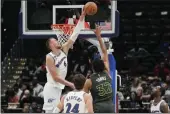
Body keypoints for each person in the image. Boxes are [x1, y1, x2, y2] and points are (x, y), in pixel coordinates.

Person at [43, 10, 86, 113]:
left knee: (57, 111)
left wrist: (82, 17)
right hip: (51, 87)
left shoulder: (64, 49)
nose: (57, 41)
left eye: (57, 40)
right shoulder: (49, 57)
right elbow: (56, 78)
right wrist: (70, 84)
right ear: (51, 46)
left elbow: (75, 34)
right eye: (55, 41)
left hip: (58, 88)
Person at [83, 26, 114, 113]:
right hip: (110, 107)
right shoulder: (107, 72)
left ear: (92, 67)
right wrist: (99, 37)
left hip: (98, 108)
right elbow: (104, 51)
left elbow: (83, 97)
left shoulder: (89, 81)